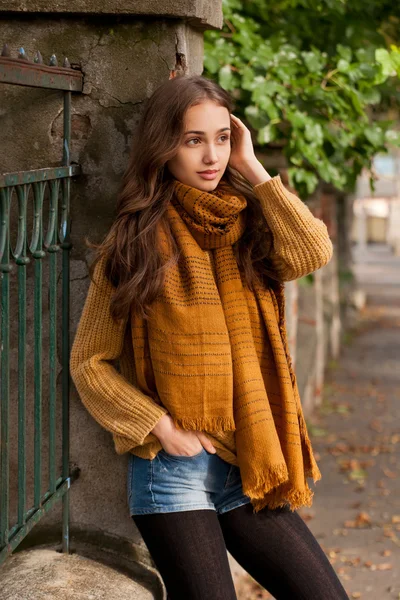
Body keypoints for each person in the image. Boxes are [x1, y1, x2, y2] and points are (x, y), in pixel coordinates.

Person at [70, 74, 349, 600]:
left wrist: (253, 165)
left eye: (221, 137)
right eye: (192, 139)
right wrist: (160, 427)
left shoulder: (251, 227)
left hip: (248, 459)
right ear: (163, 146)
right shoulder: (133, 244)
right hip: (173, 470)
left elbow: (311, 252)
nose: (210, 155)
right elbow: (90, 360)